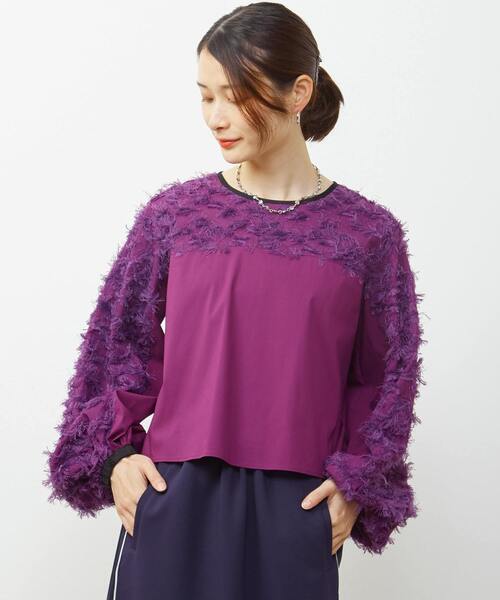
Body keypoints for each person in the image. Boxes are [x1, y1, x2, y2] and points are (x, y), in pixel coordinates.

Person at [43, 3, 425, 599]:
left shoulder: (367, 235)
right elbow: (115, 347)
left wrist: (359, 482)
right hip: (173, 497)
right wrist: (116, 458)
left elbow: (386, 378)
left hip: (297, 509)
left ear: (299, 93)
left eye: (235, 96)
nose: (215, 117)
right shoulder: (175, 217)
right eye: (205, 96)